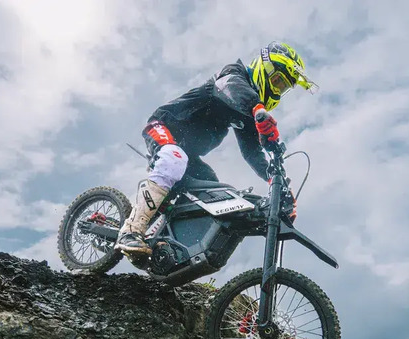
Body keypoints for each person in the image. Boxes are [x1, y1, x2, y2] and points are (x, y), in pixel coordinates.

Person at [115, 41, 318, 255]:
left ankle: (168, 244)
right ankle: (130, 232)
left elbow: (252, 153)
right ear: (264, 68)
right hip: (164, 126)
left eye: (282, 88)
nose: (277, 90)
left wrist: (277, 182)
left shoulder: (246, 114)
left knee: (215, 194)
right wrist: (257, 108)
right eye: (277, 82)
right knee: (173, 158)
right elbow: (232, 87)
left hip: (188, 155)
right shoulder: (233, 74)